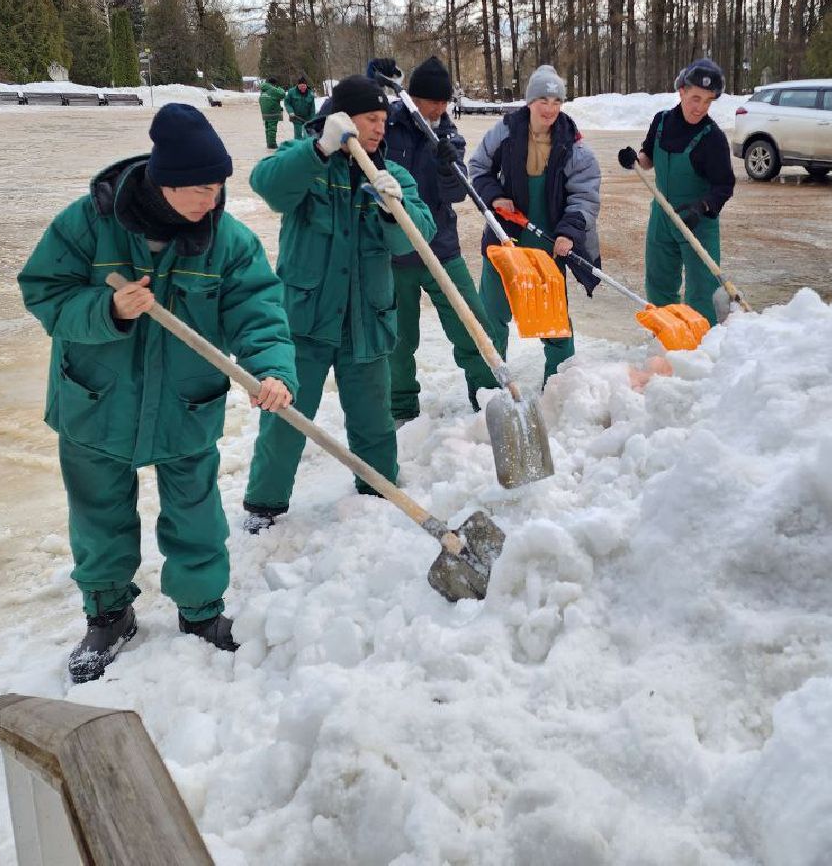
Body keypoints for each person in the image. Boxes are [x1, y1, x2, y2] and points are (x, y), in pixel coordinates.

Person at [18, 103, 297, 683]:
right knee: (99, 517)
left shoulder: (229, 241)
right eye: (199, 188)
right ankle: (108, 616)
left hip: (183, 403)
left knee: (195, 515)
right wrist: (107, 309)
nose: (212, 199)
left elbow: (259, 310)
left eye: (218, 186)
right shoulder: (86, 224)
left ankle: (201, 614)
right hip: (94, 402)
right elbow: (43, 293)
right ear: (162, 181)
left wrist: (273, 370)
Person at [242, 75, 437, 533]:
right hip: (306, 317)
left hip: (366, 316)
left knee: (373, 415)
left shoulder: (393, 174)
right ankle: (264, 505)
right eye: (371, 119)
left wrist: (395, 210)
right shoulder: (307, 161)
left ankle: (379, 489)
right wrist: (318, 151)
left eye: (384, 120)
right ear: (344, 119)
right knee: (287, 416)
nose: (380, 129)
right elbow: (266, 185)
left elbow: (420, 234)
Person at [469, 64, 601, 384]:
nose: (550, 109)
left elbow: (584, 195)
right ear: (529, 102)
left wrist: (569, 232)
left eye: (557, 102)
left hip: (548, 245)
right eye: (543, 100)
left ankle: (559, 387)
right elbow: (478, 168)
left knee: (553, 322)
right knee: (490, 317)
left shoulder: (573, 144)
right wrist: (495, 196)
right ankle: (487, 387)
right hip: (505, 240)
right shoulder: (505, 132)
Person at [384, 57, 493, 423]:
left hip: (441, 247)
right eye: (435, 101)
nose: (442, 108)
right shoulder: (387, 125)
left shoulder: (450, 135)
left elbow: (457, 194)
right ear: (414, 97)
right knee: (398, 339)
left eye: (446, 102)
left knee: (473, 324)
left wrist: (449, 167)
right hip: (395, 252)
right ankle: (401, 408)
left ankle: (488, 395)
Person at [618, 57, 736, 325]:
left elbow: (724, 185)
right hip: (662, 215)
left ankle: (699, 350)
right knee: (659, 284)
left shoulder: (713, 137)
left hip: (698, 221)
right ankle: (666, 339)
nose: (701, 107)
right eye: (696, 98)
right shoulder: (661, 122)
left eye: (708, 101)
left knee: (701, 293)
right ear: (681, 90)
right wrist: (634, 160)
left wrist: (702, 207)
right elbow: (648, 157)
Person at [284, 73, 316, 140]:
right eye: (301, 86)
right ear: (298, 85)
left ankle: (305, 148)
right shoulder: (291, 92)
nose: (303, 88)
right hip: (296, 117)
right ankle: (298, 146)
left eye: (304, 86)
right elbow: (287, 103)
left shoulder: (310, 94)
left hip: (307, 118)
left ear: (306, 85)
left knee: (307, 135)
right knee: (298, 135)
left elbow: (312, 108)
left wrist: (313, 119)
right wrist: (290, 111)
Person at [258, 77, 286, 150]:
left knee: (267, 128)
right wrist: (280, 88)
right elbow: (282, 94)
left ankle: (268, 143)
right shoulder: (273, 89)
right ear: (274, 84)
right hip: (273, 112)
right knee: (272, 129)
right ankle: (272, 145)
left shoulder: (263, 89)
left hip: (265, 112)